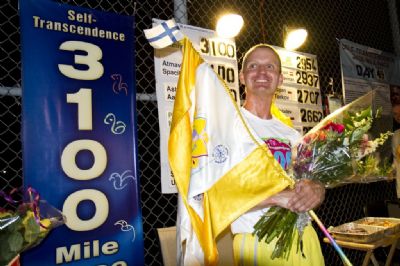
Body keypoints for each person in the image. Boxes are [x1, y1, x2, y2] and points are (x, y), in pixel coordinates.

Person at [230, 44, 326, 265]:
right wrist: (275, 197)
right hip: (259, 242)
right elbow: (215, 195)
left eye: (270, 67)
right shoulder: (228, 125)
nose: (262, 72)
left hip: (304, 238)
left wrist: (317, 190)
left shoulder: (291, 133)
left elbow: (309, 181)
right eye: (254, 66)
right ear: (242, 77)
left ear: (280, 79)